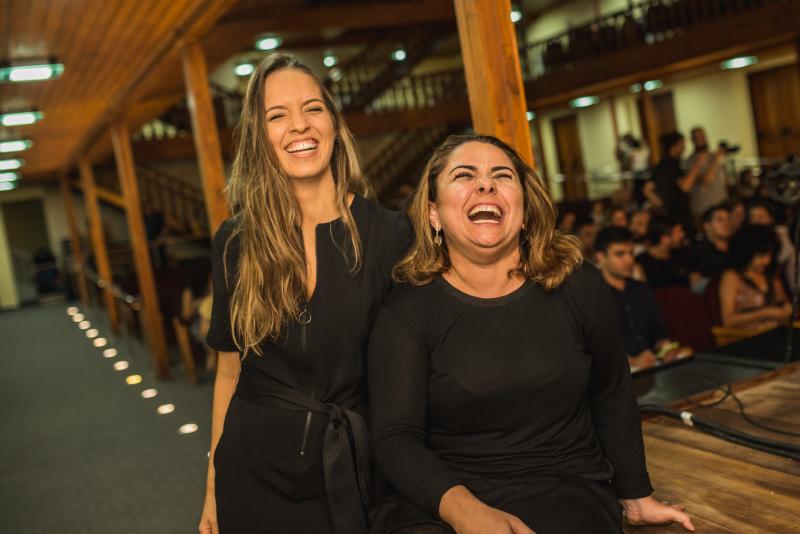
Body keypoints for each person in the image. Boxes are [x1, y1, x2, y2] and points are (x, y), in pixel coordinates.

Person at [368, 134, 694, 534]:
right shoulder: (405, 311)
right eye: (464, 175)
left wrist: (635, 494)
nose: (485, 185)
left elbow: (611, 391)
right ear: (433, 213)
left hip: (564, 490)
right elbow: (395, 436)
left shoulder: (579, 286)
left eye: (501, 175)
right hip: (443, 496)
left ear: (523, 208)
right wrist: (464, 511)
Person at [198, 53, 411, 534]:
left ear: (334, 122)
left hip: (356, 470)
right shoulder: (235, 241)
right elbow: (229, 373)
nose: (299, 125)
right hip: (252, 472)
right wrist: (212, 486)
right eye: (277, 115)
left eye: (313, 108)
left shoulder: (390, 234)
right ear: (258, 136)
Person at [596, 227, 689, 371]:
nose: (629, 260)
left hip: (651, 363)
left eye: (631, 253)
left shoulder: (641, 289)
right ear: (601, 257)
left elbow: (658, 331)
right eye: (620, 254)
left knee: (687, 355)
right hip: (617, 371)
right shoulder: (593, 296)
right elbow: (595, 350)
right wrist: (633, 361)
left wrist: (664, 347)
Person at [719, 225, 791, 330]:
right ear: (747, 253)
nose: (766, 261)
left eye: (770, 256)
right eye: (761, 256)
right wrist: (764, 313)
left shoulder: (770, 276)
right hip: (744, 335)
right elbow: (728, 320)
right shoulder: (732, 277)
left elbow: (783, 302)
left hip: (774, 332)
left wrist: (787, 309)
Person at [650, 131, 707, 233]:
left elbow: (647, 190)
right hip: (680, 214)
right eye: (682, 144)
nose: (684, 148)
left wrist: (663, 206)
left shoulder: (661, 164)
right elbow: (686, 186)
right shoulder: (672, 165)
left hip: (670, 213)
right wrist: (698, 163)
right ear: (675, 145)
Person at [635, 216, 692, 289]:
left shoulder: (683, 254)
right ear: (664, 239)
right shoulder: (642, 262)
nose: (683, 234)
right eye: (678, 232)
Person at [686, 127, 728, 220]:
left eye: (702, 136)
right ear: (692, 140)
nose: (701, 139)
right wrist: (716, 160)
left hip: (721, 204)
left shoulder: (713, 156)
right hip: (703, 208)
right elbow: (707, 180)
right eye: (697, 137)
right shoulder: (691, 161)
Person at [692, 203, 732, 281]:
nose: (726, 223)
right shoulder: (698, 253)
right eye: (720, 219)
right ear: (707, 225)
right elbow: (696, 284)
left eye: (728, 219)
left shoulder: (737, 247)